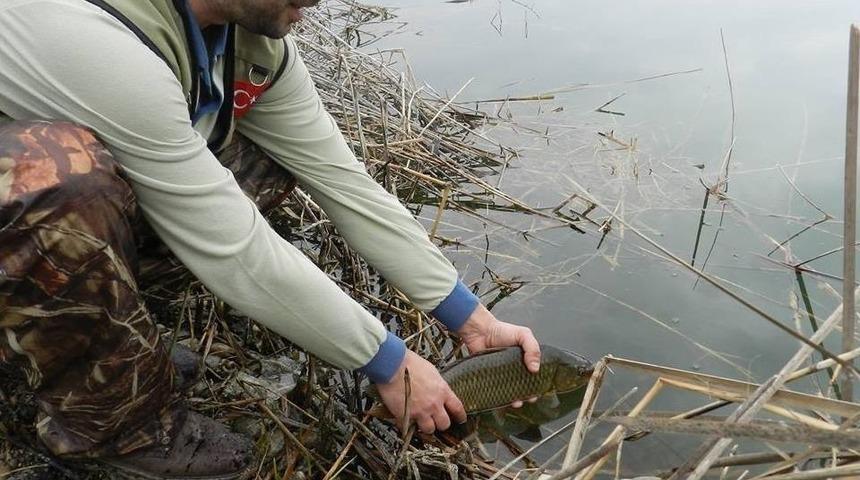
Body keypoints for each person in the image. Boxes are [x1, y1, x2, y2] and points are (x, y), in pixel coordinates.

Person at [0, 0, 542, 478]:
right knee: (56, 179)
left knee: (264, 158)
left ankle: (96, 340)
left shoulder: (248, 42)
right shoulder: (95, 40)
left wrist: (471, 318)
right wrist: (389, 362)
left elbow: (343, 182)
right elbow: (233, 244)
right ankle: (112, 426)